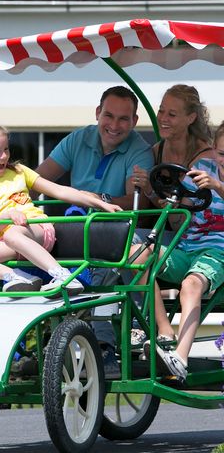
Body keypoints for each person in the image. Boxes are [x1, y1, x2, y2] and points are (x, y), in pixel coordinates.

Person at [34, 85, 155, 378]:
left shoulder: (139, 150)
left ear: (134, 121)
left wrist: (98, 199)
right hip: (76, 228)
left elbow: (136, 204)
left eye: (123, 119)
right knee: (28, 253)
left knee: (106, 264)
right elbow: (36, 179)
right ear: (98, 113)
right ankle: (37, 343)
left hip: (113, 233)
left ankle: (103, 345)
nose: (114, 125)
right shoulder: (79, 138)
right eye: (109, 116)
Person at [0, 120, 121, 294]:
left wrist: (100, 203)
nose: (4, 156)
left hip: (36, 229)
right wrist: (9, 215)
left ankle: (63, 275)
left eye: (6, 149)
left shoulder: (18, 171)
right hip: (9, 242)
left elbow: (59, 190)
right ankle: (15, 276)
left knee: (12, 235)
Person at [133, 121, 224, 382]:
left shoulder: (212, 179)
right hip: (187, 247)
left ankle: (180, 359)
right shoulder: (202, 168)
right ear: (213, 149)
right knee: (137, 254)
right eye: (221, 153)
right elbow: (181, 212)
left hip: (218, 253)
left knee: (191, 284)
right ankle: (164, 331)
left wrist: (217, 186)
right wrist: (174, 201)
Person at [129, 84, 215, 346]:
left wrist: (151, 190)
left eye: (172, 114)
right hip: (172, 233)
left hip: (196, 237)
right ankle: (134, 321)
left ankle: (144, 323)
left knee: (133, 245)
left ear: (191, 118)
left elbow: (181, 219)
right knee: (124, 244)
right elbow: (160, 209)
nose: (163, 119)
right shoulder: (155, 151)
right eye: (161, 111)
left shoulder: (206, 159)